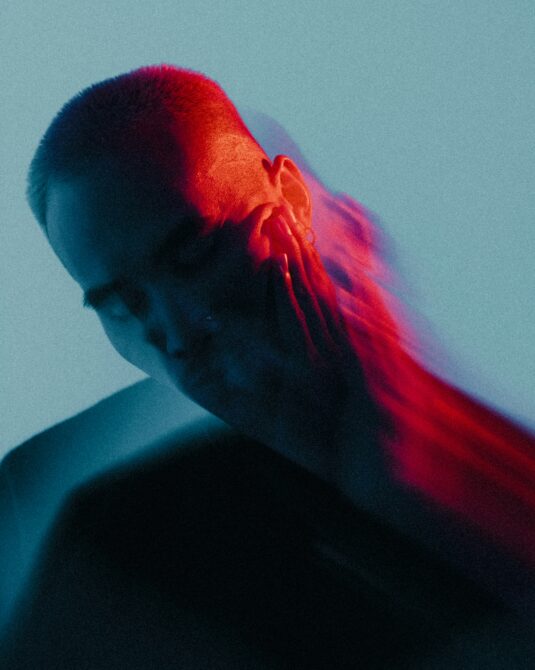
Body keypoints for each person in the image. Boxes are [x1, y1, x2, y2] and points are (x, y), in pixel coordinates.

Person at [2, 64, 535, 668]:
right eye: (122, 304)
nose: (177, 331)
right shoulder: (88, 534)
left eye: (197, 252)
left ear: (293, 202)